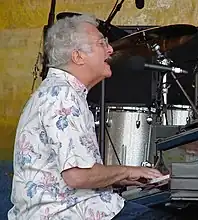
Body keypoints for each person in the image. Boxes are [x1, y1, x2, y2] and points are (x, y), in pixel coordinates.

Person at [8, 14, 175, 220]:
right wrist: (127, 172)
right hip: (63, 213)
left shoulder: (62, 92)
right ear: (78, 56)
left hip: (74, 207)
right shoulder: (62, 96)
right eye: (101, 43)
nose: (111, 49)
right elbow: (77, 176)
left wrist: (127, 178)